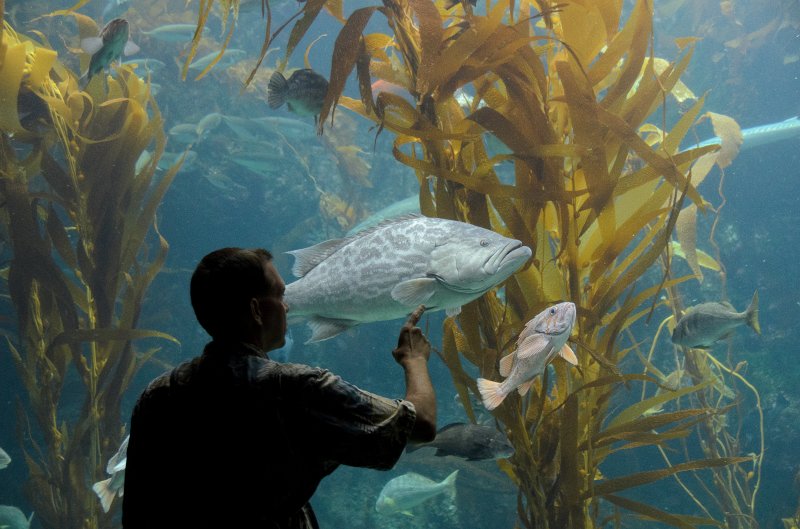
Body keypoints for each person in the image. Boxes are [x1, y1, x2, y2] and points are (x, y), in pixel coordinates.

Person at [121, 247, 436, 529]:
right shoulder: (296, 389)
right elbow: (418, 425)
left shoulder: (158, 396)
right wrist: (414, 359)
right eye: (280, 295)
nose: (286, 307)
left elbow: (137, 512)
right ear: (257, 310)